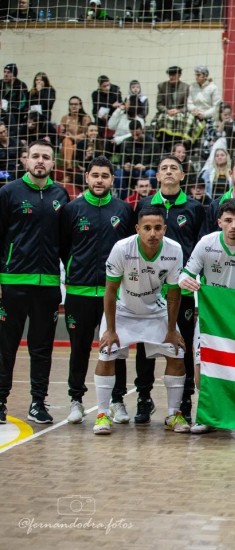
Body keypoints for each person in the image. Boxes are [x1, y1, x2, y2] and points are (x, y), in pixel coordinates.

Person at [178, 198, 235, 434]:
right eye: (228, 220)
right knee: (202, 370)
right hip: (212, 319)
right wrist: (185, 280)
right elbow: (185, 275)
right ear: (219, 221)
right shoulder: (206, 244)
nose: (233, 225)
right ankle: (209, 416)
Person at [92, 205, 186, 435]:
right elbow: (110, 291)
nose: (152, 233)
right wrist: (111, 330)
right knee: (106, 354)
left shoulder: (174, 250)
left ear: (164, 229)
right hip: (123, 310)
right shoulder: (122, 249)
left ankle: (173, 414)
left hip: (156, 310)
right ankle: (103, 414)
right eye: (147, 228)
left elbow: (174, 294)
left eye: (157, 228)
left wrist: (172, 330)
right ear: (137, 229)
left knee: (177, 353)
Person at [60, 156, 135, 425]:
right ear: (87, 178)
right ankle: (76, 401)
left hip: (114, 294)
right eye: (95, 175)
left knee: (117, 348)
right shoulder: (72, 209)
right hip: (79, 292)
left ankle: (117, 402)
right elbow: (64, 247)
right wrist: (75, 270)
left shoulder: (124, 210)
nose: (100, 180)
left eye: (105, 175)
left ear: (112, 179)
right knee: (79, 348)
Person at [134, 155, 207, 425]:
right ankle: (144, 398)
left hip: (183, 292)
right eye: (163, 168)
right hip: (149, 291)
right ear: (157, 176)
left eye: (173, 168)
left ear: (182, 175)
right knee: (146, 348)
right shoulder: (144, 205)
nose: (168, 172)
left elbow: (200, 249)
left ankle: (184, 403)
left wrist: (191, 277)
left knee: (182, 347)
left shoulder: (195, 208)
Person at [0, 141, 70, 424]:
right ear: (24, 160)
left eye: (46, 157)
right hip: (13, 281)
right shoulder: (8, 192)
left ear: (53, 163)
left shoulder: (60, 195)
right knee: (6, 346)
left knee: (42, 347)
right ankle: (0, 402)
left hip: (49, 285)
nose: (40, 161)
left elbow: (65, 243)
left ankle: (38, 403)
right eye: (35, 156)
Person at [153, 66, 201, 147]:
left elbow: (188, 105)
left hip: (180, 112)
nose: (172, 77)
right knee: (162, 119)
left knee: (188, 119)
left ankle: (184, 144)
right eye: (170, 75)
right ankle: (164, 145)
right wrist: (167, 111)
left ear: (179, 75)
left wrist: (178, 111)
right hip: (167, 112)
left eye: (174, 75)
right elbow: (159, 104)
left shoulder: (186, 87)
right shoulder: (162, 86)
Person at [114, 120, 156, 198]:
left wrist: (145, 167)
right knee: (118, 173)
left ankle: (151, 199)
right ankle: (124, 200)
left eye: (137, 134)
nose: (135, 137)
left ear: (142, 130)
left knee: (151, 173)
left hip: (146, 171)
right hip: (132, 171)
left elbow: (157, 163)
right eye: (133, 135)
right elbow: (122, 161)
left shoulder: (153, 142)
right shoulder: (126, 142)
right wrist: (126, 166)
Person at [59, 96, 92, 172]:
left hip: (80, 146)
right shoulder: (65, 118)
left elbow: (87, 135)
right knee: (66, 141)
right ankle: (69, 165)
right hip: (67, 145)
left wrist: (72, 136)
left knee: (67, 144)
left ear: (80, 106)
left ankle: (68, 172)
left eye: (76, 104)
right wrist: (63, 133)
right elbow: (61, 137)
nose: (73, 106)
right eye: (71, 104)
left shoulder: (85, 118)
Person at [187, 65, 221, 139]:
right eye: (196, 74)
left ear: (205, 76)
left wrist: (204, 114)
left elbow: (216, 106)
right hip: (194, 115)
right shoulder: (192, 87)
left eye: (198, 75)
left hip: (208, 116)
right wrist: (194, 110)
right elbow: (189, 102)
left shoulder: (213, 88)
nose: (196, 77)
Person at [1, 64, 28, 138]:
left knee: (10, 116)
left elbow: (22, 103)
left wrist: (7, 107)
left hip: (14, 114)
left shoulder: (21, 86)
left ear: (14, 74)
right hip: (1, 112)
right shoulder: (0, 83)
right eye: (5, 72)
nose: (6, 74)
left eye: (9, 72)